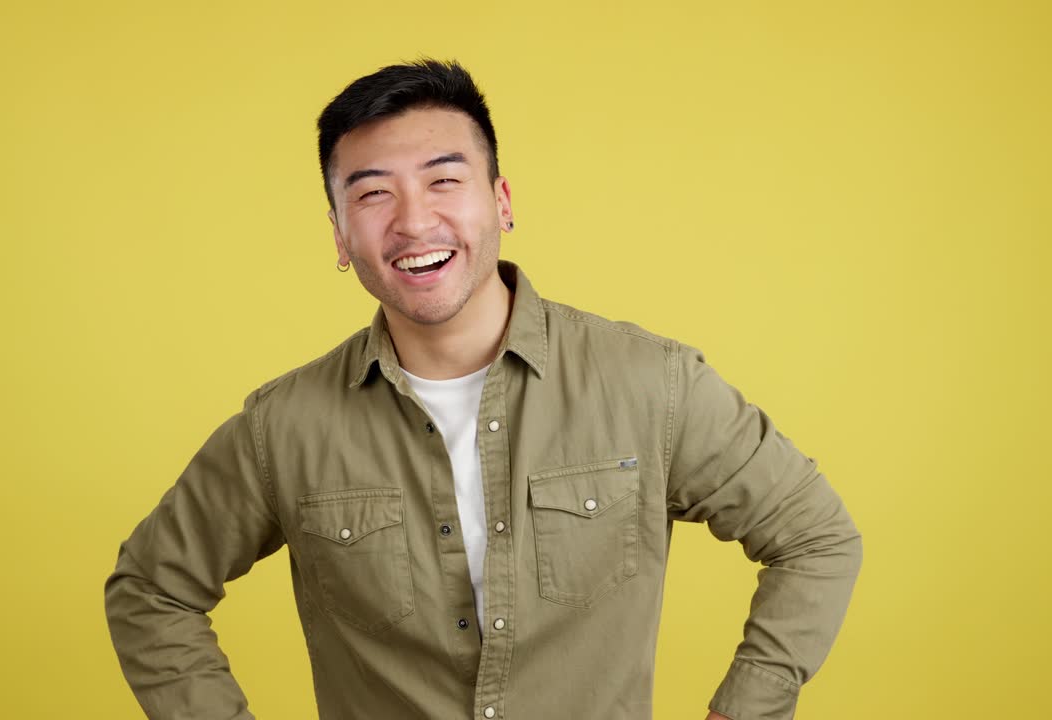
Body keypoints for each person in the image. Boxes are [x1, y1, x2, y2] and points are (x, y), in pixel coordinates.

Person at [104, 57, 863, 720]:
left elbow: (814, 536)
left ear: (500, 200)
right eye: (372, 196)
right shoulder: (285, 427)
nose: (413, 221)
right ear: (339, 234)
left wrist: (748, 706)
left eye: (443, 180)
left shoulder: (648, 385)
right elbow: (150, 591)